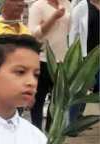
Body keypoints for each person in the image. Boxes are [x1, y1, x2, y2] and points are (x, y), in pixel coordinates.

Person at [28, 0, 72, 130]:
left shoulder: (66, 4)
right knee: (39, 99)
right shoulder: (38, 6)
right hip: (42, 59)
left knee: (57, 100)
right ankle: (36, 131)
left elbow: (69, 30)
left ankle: (51, 132)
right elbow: (34, 34)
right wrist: (53, 18)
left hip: (62, 60)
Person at [68, 0, 99, 121]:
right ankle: (72, 123)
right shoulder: (81, 7)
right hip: (86, 58)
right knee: (80, 91)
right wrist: (75, 57)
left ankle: (79, 117)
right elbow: (73, 33)